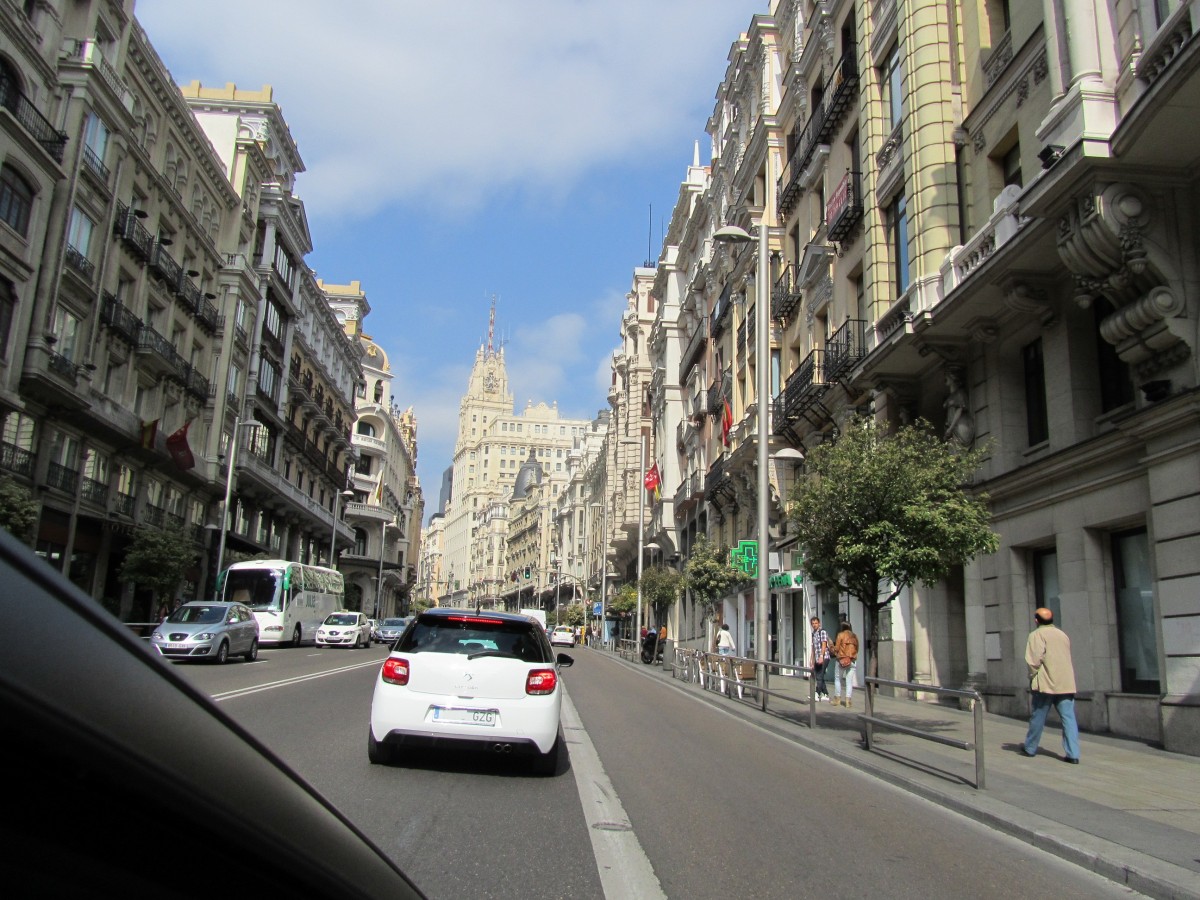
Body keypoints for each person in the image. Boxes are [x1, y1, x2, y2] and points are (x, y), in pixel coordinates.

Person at [1022, 607, 1080, 764]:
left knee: (1038, 716)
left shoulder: (1036, 635)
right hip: (1066, 683)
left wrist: (1032, 677)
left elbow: (1033, 660)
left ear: (1036, 620)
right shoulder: (1063, 635)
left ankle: (1030, 747)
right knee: (1068, 718)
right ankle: (1073, 753)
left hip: (1045, 683)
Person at [830, 621, 859, 708]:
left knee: (838, 679)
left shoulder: (840, 635)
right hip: (852, 660)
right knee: (849, 681)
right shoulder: (855, 636)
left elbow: (837, 648)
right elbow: (857, 649)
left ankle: (837, 699)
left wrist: (831, 646)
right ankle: (848, 701)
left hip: (841, 660)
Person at [810, 617, 831, 701]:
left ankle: (817, 693)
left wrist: (821, 656)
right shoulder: (813, 633)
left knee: (819, 675)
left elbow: (824, 644)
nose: (814, 625)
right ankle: (825, 694)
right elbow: (813, 648)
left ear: (819, 623)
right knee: (819, 675)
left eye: (816, 623)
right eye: (813, 623)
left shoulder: (822, 632)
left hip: (824, 657)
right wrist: (811, 660)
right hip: (817, 657)